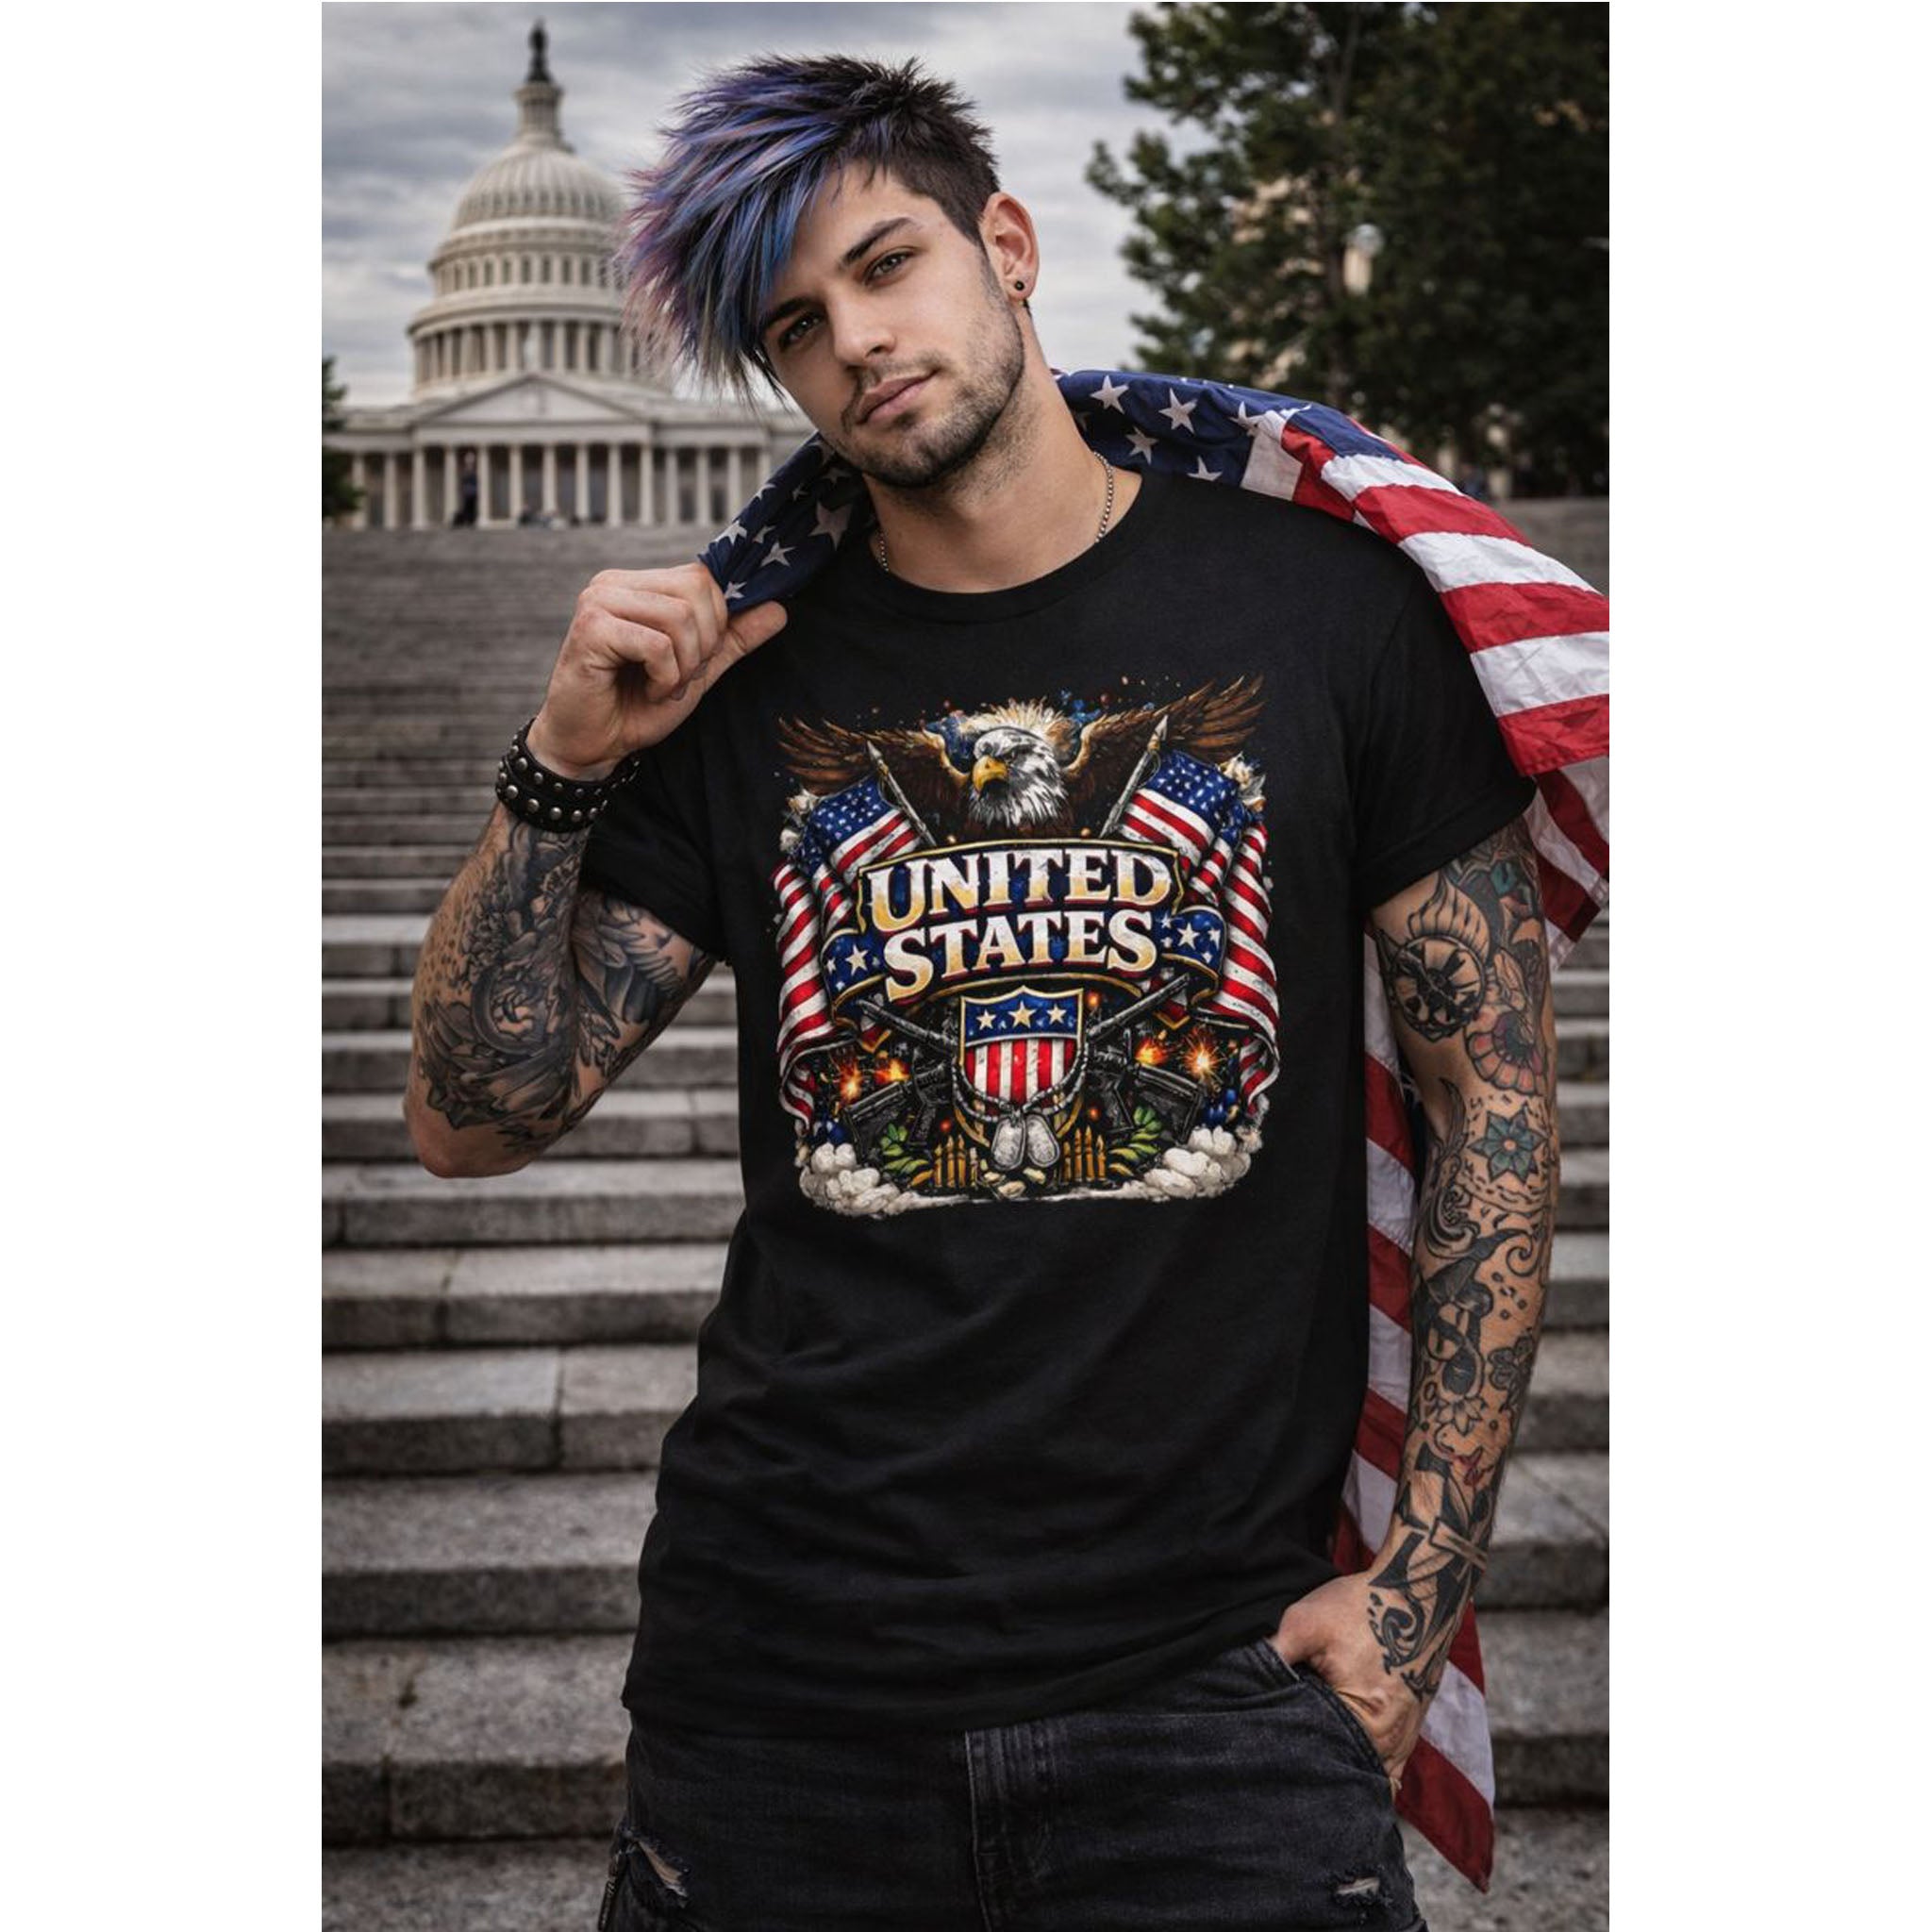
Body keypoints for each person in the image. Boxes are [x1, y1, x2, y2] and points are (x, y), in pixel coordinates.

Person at [404, 55, 1574, 1931]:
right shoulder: (749, 675)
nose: (857, 340)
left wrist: (1420, 1578)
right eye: (798, 323)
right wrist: (557, 768)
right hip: (780, 1695)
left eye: (887, 266)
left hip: (1218, 1687)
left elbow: (1499, 1111)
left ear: (1006, 247)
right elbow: (471, 1119)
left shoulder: (1329, 617)